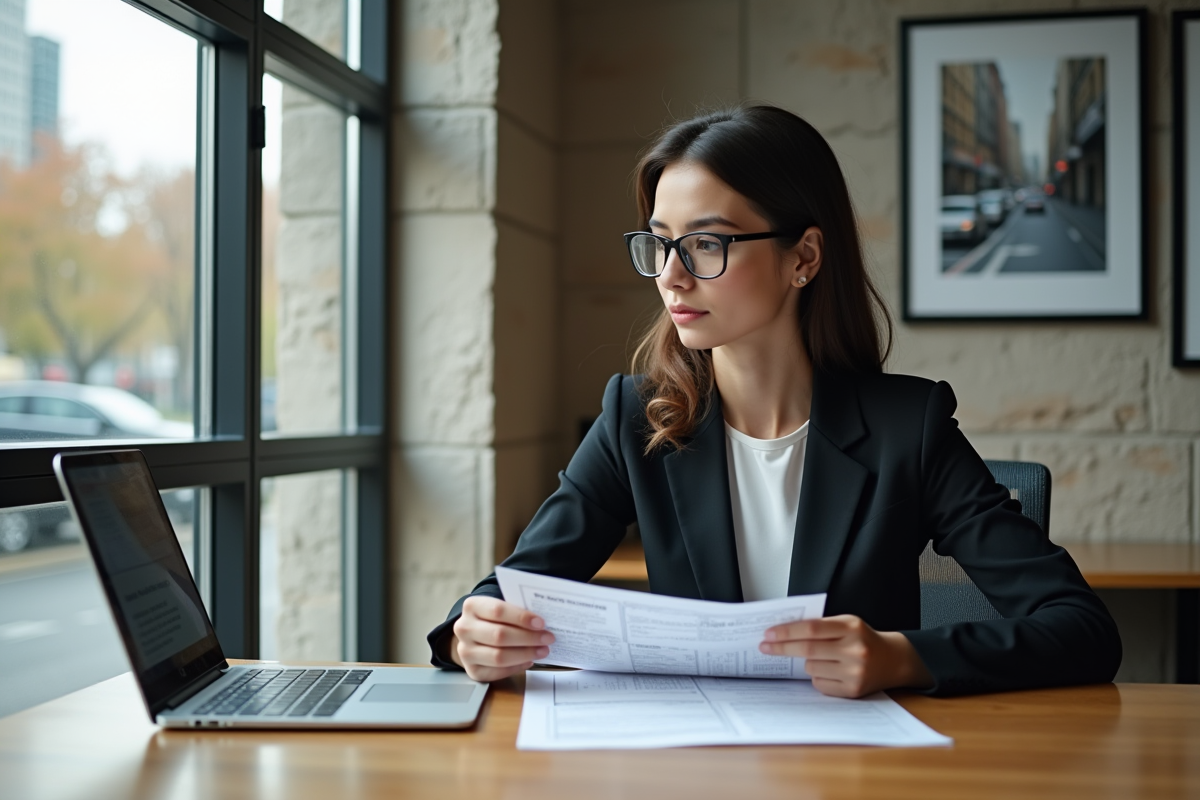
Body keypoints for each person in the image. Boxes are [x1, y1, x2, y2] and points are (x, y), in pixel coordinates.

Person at [427, 105, 1122, 697]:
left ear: (804, 258)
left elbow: (1081, 628)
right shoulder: (635, 417)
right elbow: (498, 596)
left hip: (856, 775)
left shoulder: (907, 427)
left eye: (705, 244)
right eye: (660, 244)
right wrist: (475, 636)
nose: (671, 277)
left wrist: (902, 657)